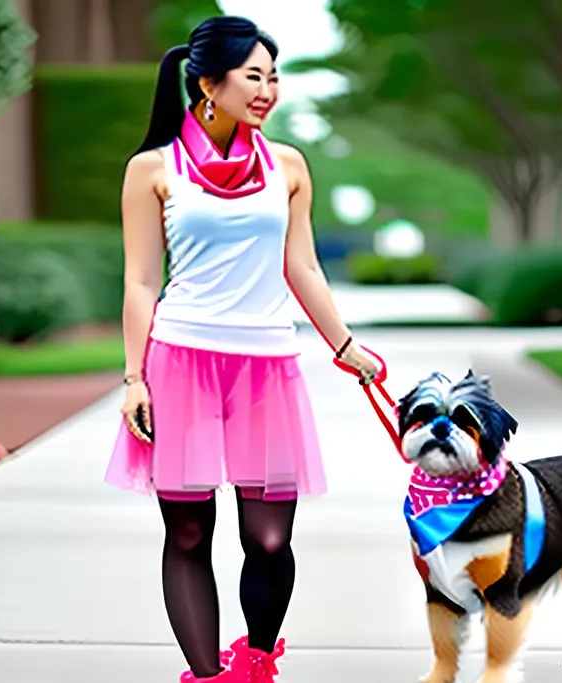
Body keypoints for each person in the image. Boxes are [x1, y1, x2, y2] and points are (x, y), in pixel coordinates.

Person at [103, 14, 380, 683]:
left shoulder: (287, 165)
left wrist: (345, 344)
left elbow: (303, 267)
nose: (268, 90)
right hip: (181, 361)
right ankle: (207, 675)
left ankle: (256, 658)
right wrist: (133, 377)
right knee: (190, 532)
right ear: (208, 83)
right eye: (254, 75)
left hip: (266, 366)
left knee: (269, 537)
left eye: (274, 77)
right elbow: (141, 279)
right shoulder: (153, 169)